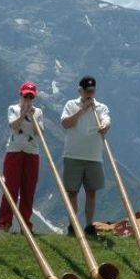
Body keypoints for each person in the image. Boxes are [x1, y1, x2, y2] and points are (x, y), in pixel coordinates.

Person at [60, 75, 110, 237]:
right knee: (72, 192)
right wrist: (82, 110)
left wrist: (105, 126)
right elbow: (66, 124)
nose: (90, 94)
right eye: (87, 91)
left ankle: (89, 225)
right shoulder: (71, 104)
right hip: (73, 155)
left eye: (92, 91)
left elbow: (106, 119)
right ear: (80, 91)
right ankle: (73, 225)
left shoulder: (100, 107)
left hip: (94, 156)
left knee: (91, 191)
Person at [0, 81, 43, 233]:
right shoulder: (13, 109)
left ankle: (25, 225)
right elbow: (14, 126)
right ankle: (4, 223)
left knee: (28, 190)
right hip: (14, 151)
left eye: (31, 97)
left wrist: (32, 116)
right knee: (11, 188)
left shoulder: (38, 112)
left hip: (32, 152)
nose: (28, 100)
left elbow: (40, 132)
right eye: (25, 96)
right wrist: (24, 113)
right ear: (20, 95)